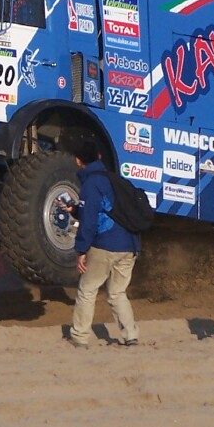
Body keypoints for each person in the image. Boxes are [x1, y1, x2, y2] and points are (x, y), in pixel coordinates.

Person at [67, 141, 140, 349]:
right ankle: (131, 335)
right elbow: (104, 210)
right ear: (99, 156)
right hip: (130, 244)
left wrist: (81, 250)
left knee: (87, 289)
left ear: (78, 161)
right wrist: (74, 210)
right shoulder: (115, 179)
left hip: (105, 244)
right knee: (117, 292)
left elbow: (89, 221)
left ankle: (80, 337)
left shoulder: (91, 184)